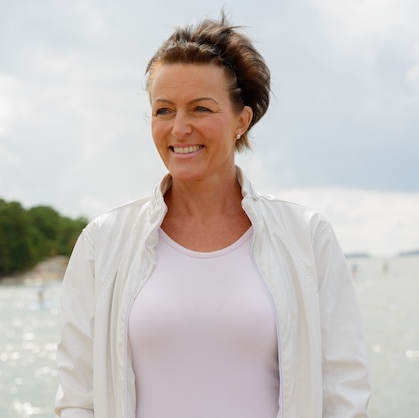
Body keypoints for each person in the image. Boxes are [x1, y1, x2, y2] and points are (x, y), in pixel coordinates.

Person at [55, 13, 371, 418]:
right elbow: (78, 399)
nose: (179, 128)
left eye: (200, 109)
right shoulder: (104, 242)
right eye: (163, 110)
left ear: (242, 120)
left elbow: (344, 395)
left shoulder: (308, 237)